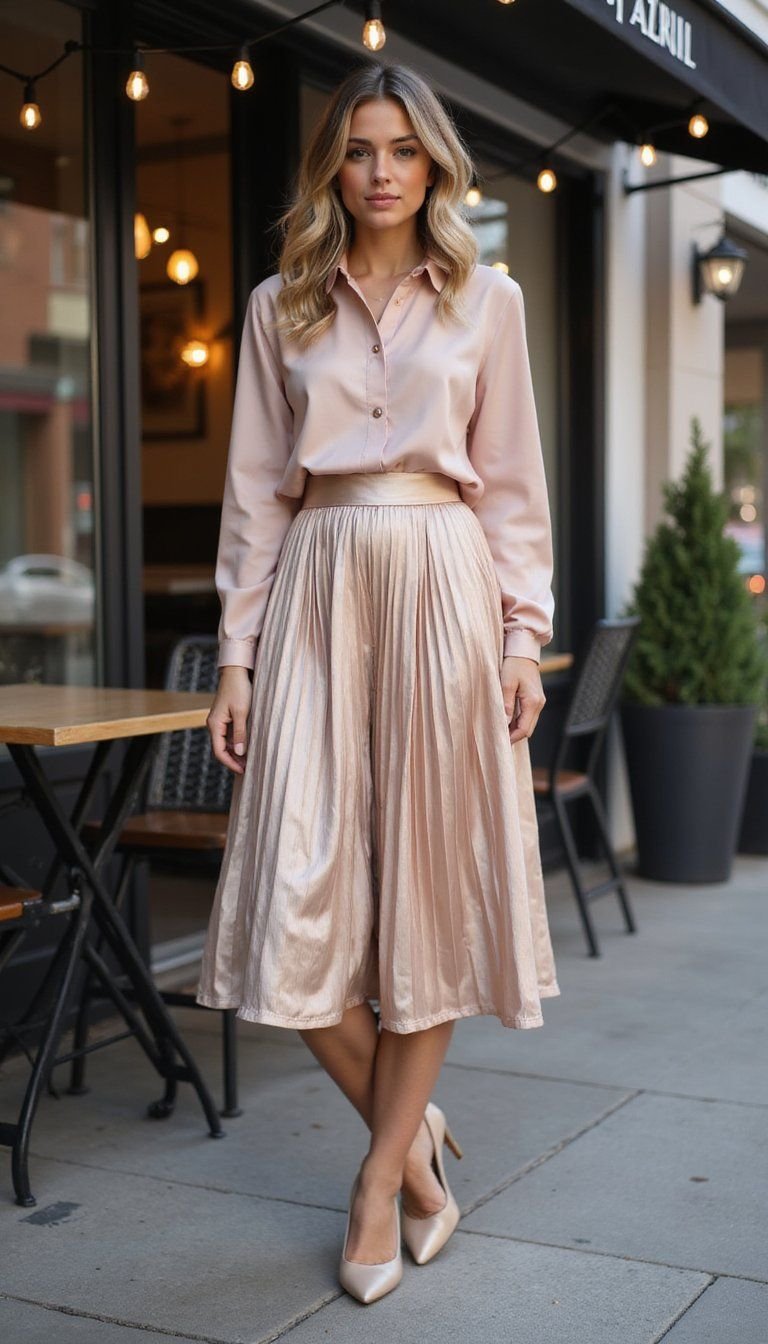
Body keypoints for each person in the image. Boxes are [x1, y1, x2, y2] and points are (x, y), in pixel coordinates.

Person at [196, 60, 561, 1305]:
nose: (382, 170)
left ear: (436, 163)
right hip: (314, 591)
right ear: (333, 171)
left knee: (429, 896)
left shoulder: (489, 300)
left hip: (444, 588)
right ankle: (415, 1144)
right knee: (284, 907)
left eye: (404, 148)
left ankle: (377, 1182)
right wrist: (236, 656)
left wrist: (522, 638)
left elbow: (514, 487)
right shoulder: (279, 305)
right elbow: (256, 493)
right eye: (359, 149)